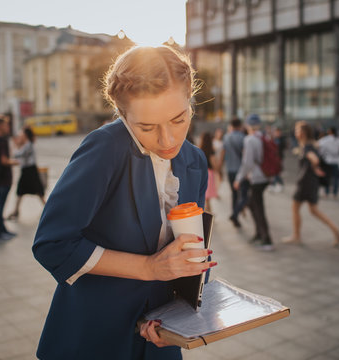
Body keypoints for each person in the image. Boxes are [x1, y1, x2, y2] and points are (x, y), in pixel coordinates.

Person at [32, 46, 216, 360]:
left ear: (191, 99)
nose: (168, 140)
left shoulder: (194, 160)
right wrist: (149, 268)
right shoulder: (105, 148)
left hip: (160, 334)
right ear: (122, 113)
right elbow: (52, 243)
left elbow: (188, 251)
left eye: (179, 119)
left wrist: (180, 316)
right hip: (95, 335)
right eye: (147, 127)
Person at [282, 121, 339, 247]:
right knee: (314, 210)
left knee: (296, 208)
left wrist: (314, 166)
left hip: (305, 182)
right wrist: (315, 168)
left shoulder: (307, 147)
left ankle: (296, 236)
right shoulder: (311, 145)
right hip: (311, 182)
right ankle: (337, 231)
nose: (295, 132)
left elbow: (314, 159)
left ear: (303, 133)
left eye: (297, 130)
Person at [233, 114, 274, 251]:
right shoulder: (263, 137)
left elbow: (247, 162)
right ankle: (259, 234)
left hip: (257, 178)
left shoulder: (250, 139)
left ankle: (266, 239)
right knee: (252, 203)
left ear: (248, 125)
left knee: (258, 207)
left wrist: (239, 178)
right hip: (265, 176)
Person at [0, 116, 19, 241]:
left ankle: (2, 229)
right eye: (6, 125)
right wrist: (15, 162)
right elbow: (4, 161)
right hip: (4, 178)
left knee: (0, 205)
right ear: (0, 126)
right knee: (1, 206)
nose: (8, 127)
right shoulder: (2, 140)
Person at [7, 127, 45, 220]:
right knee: (21, 191)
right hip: (26, 170)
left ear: (25, 135)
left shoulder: (28, 145)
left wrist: (15, 145)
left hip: (30, 171)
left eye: (21, 134)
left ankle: (48, 209)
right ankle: (16, 211)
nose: (20, 135)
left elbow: (18, 155)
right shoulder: (26, 144)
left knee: (38, 191)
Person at [223, 118, 247, 228]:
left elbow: (223, 153)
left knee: (234, 194)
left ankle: (235, 216)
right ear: (240, 125)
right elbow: (245, 155)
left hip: (229, 169)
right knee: (244, 195)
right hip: (240, 170)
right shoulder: (243, 137)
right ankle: (235, 214)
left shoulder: (226, 137)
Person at [317, 127, 339, 199]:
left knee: (327, 177)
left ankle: (327, 192)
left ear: (330, 131)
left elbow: (320, 149)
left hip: (327, 161)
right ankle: (335, 193)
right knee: (336, 178)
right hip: (336, 161)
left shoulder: (325, 140)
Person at [198, 132, 218, 212]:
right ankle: (208, 217)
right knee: (207, 198)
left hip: (201, 173)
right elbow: (214, 164)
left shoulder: (199, 150)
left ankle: (208, 216)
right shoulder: (211, 151)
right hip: (209, 173)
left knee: (205, 198)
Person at [269, 127, 286, 193]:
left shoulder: (281, 139)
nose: (277, 133)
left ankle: (277, 184)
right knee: (275, 171)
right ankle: (274, 184)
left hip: (279, 157)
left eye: (278, 132)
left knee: (276, 171)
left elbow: (282, 147)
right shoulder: (274, 139)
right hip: (274, 157)